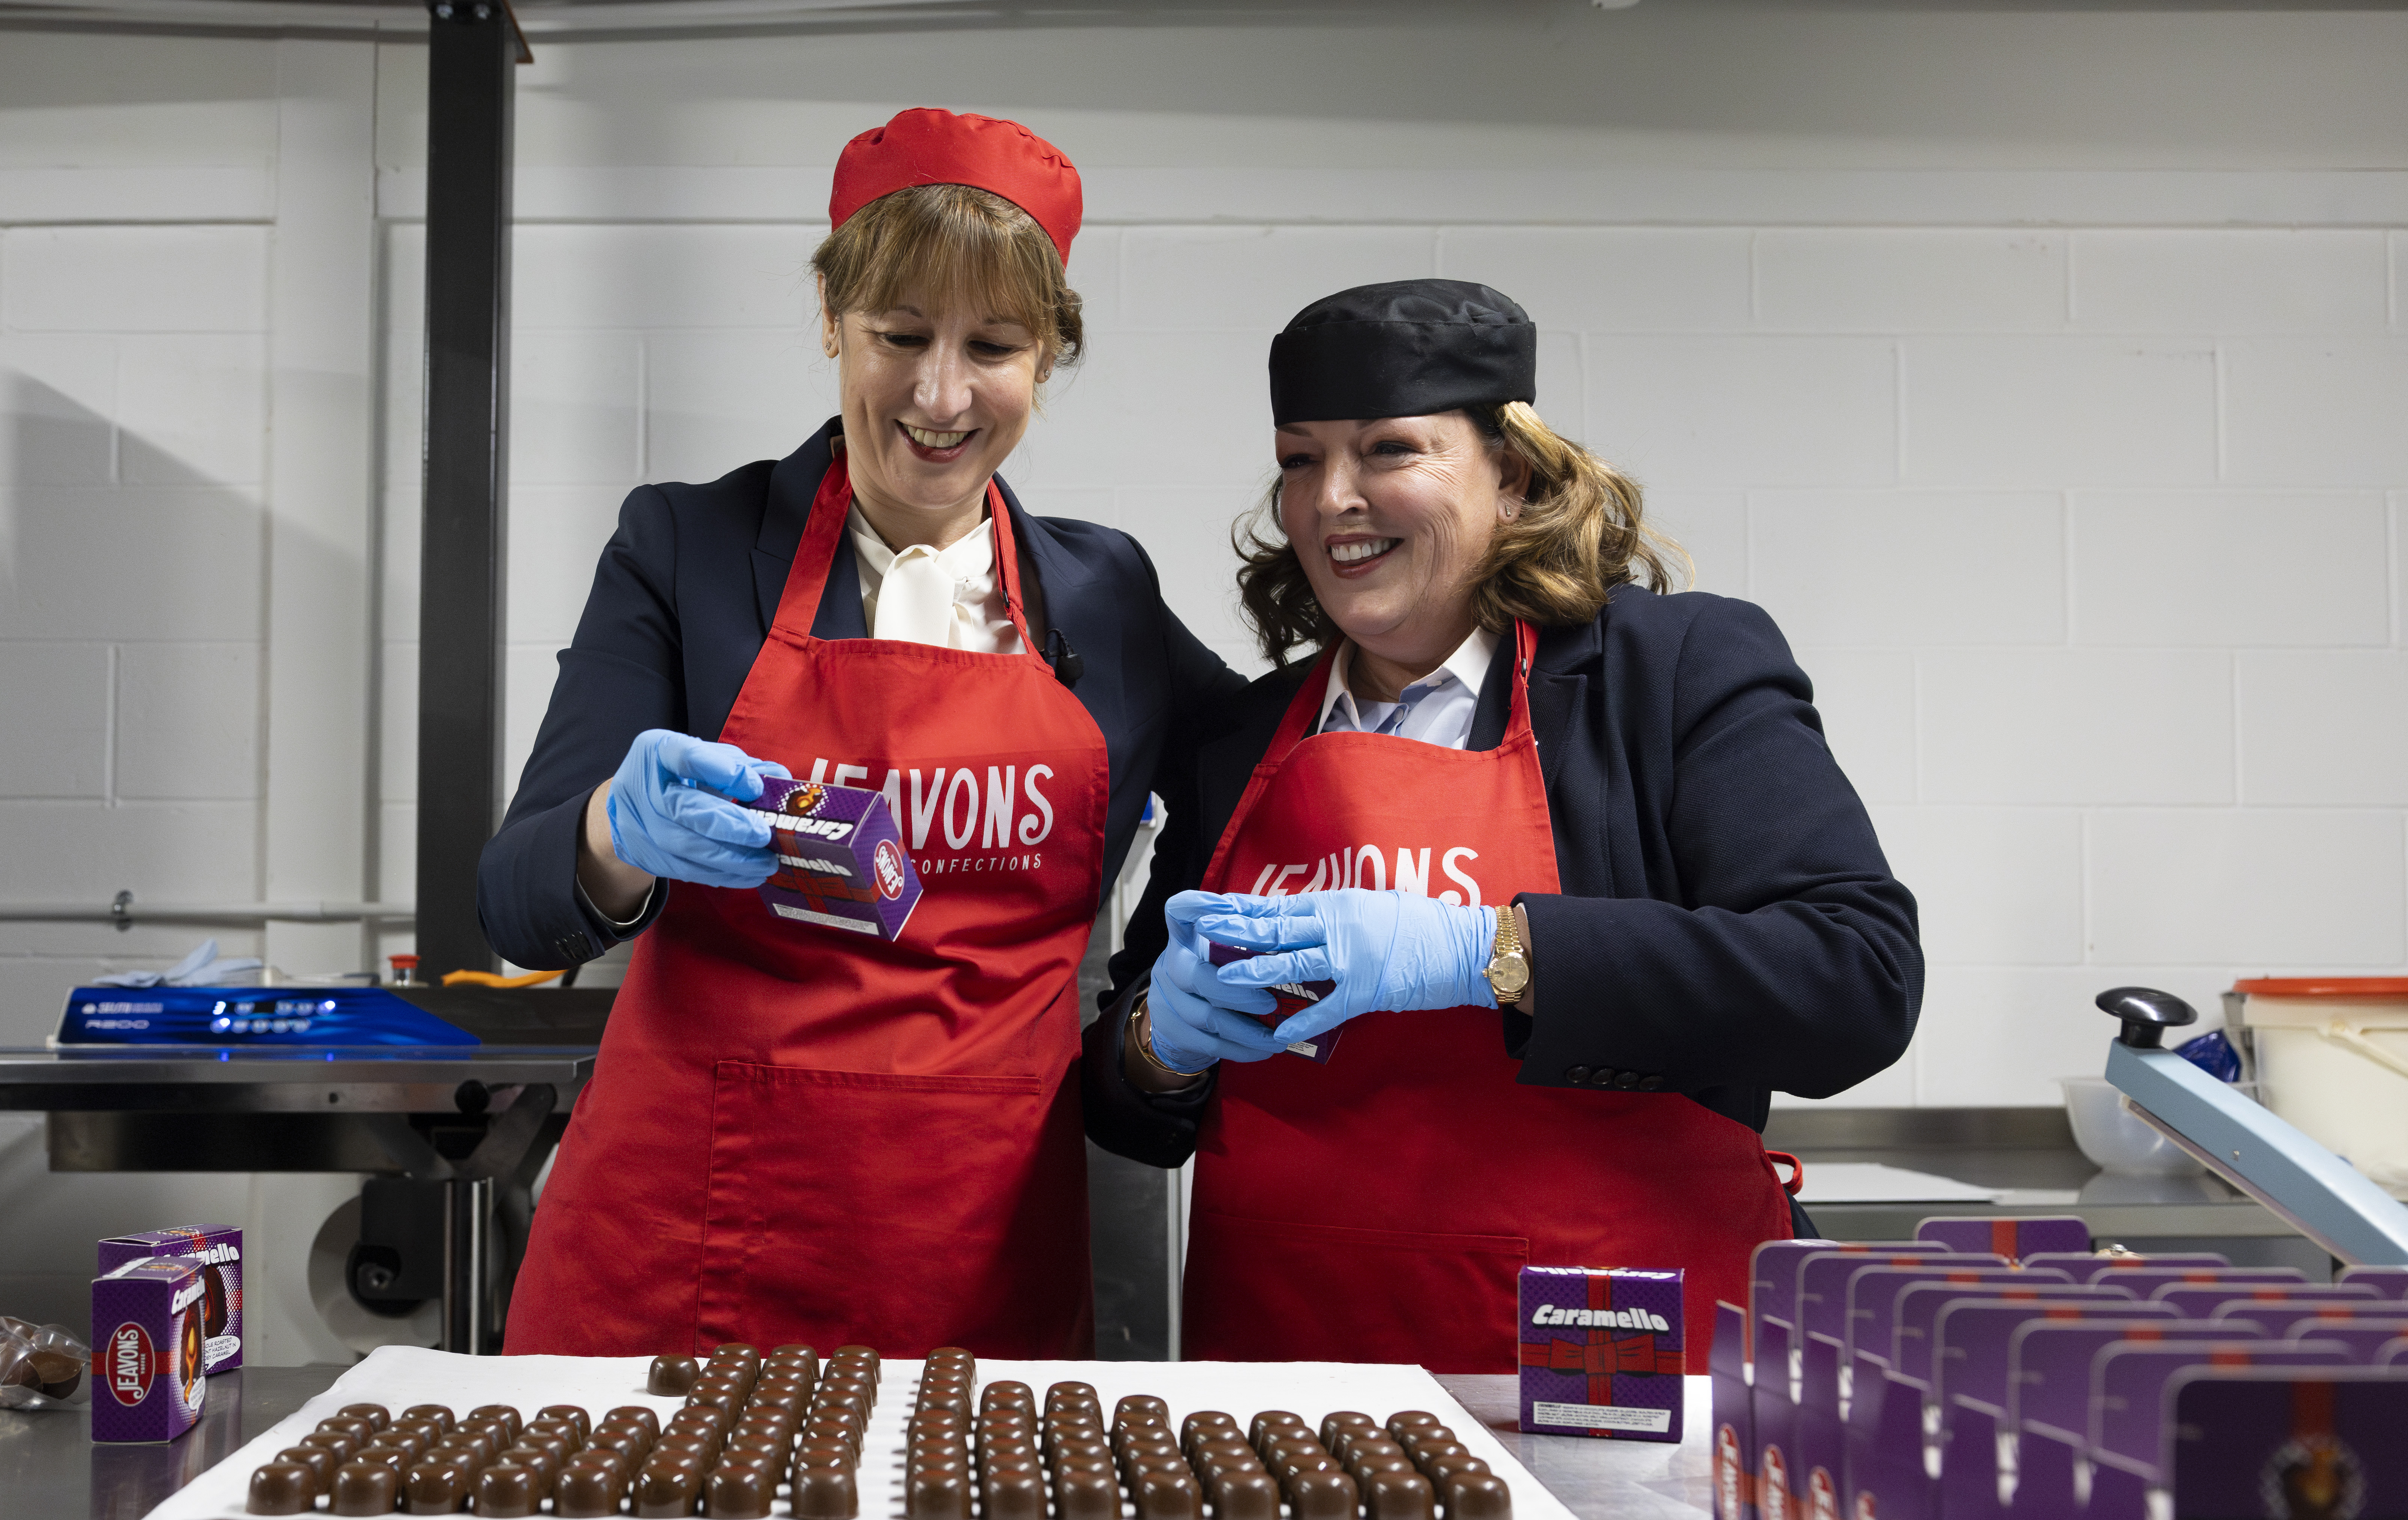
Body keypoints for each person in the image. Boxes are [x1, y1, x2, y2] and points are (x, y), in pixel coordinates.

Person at [486, 110, 1239, 1359]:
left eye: (991, 345)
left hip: (977, 1263)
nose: (940, 396)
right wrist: (619, 832)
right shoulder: (688, 549)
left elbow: (1260, 765)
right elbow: (512, 909)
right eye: (900, 336)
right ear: (832, 320)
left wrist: (1165, 975)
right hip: (685, 1263)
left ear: (1046, 357)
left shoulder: (1107, 601)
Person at [1082, 280, 1921, 1367]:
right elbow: (1128, 1106)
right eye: (1300, 458)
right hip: (1288, 1398)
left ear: (1513, 475)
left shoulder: (1665, 680)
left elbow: (1857, 978)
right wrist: (1157, 1042)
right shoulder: (1242, 738)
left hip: (1610, 1381)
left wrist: (1492, 952)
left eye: (1389, 450)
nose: (1333, 496)